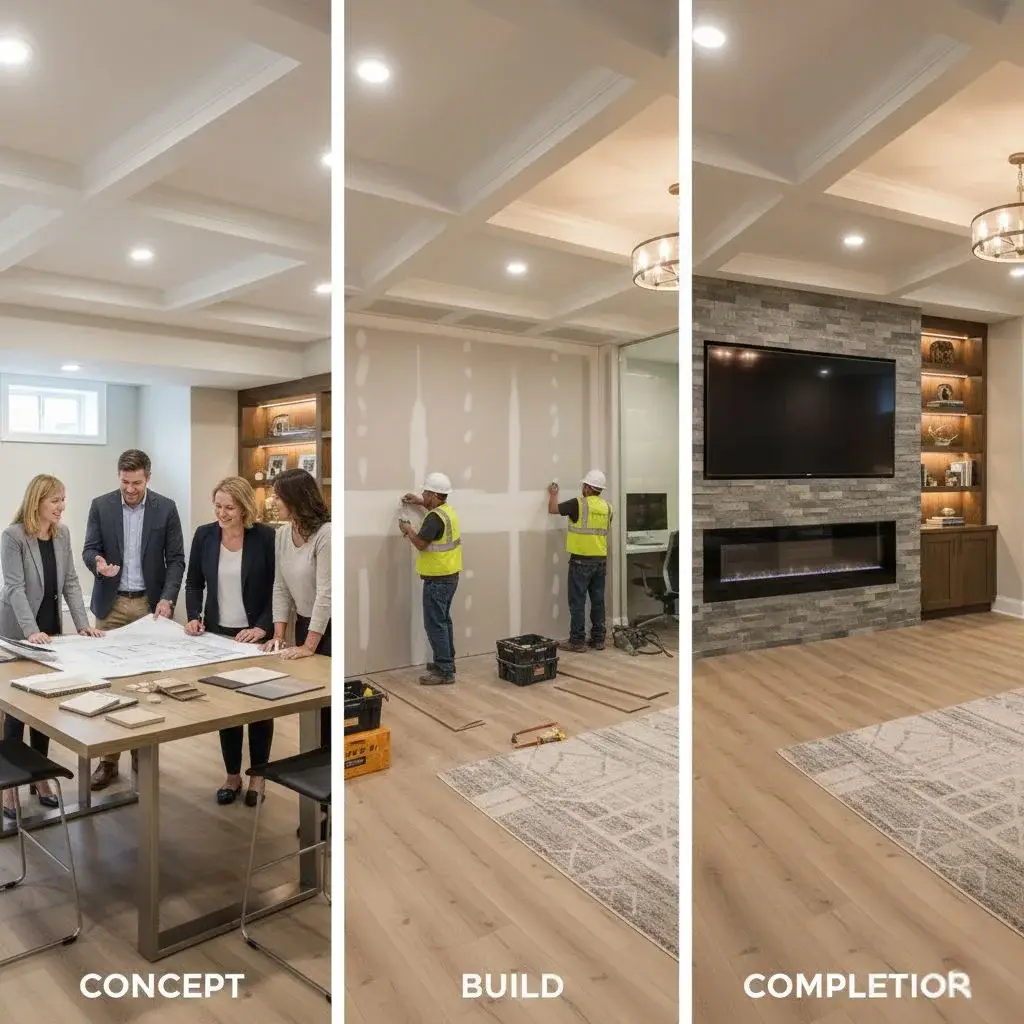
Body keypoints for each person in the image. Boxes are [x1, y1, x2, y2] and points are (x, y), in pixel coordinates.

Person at [0, 475, 103, 819]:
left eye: (63, 499)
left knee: (43, 706)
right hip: (18, 632)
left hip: (51, 631)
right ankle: (10, 788)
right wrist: (30, 632)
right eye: (55, 500)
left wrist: (83, 624)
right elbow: (14, 588)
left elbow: (71, 581)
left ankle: (40, 779)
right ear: (37, 502)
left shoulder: (62, 534)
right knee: (16, 710)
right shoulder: (13, 536)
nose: (61, 506)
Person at [82, 448, 186, 791]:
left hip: (148, 607)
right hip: (110, 607)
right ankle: (108, 760)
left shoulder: (166, 508)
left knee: (145, 685)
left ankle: (143, 755)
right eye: (125, 482)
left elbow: (176, 559)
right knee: (107, 685)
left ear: (148, 478)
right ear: (119, 477)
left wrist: (168, 598)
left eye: (136, 483)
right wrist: (98, 563)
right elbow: (89, 549)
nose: (130, 489)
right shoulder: (101, 505)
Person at [185, 477, 276, 806]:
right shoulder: (205, 535)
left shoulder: (265, 537)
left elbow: (278, 589)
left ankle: (258, 777)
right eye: (218, 506)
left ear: (245, 508)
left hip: (255, 638)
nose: (222, 513)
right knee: (228, 708)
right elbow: (194, 582)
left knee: (259, 708)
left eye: (229, 508)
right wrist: (193, 615)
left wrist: (263, 627)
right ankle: (232, 775)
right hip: (219, 635)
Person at [400, 472, 460, 685]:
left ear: (434, 495)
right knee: (443, 621)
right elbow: (435, 524)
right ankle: (447, 663)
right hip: (450, 575)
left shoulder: (434, 518)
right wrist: (420, 502)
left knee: (435, 624)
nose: (423, 495)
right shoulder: (446, 511)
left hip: (438, 579)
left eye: (425, 493)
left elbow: (421, 543)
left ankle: (444, 671)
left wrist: (407, 529)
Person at [548, 469, 612, 653]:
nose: (582, 488)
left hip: (581, 562)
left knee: (577, 602)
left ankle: (577, 641)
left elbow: (553, 509)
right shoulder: (608, 507)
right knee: (598, 601)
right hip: (600, 561)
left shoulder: (578, 504)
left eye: (584, 485)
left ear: (588, 488)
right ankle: (598, 639)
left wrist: (553, 494)